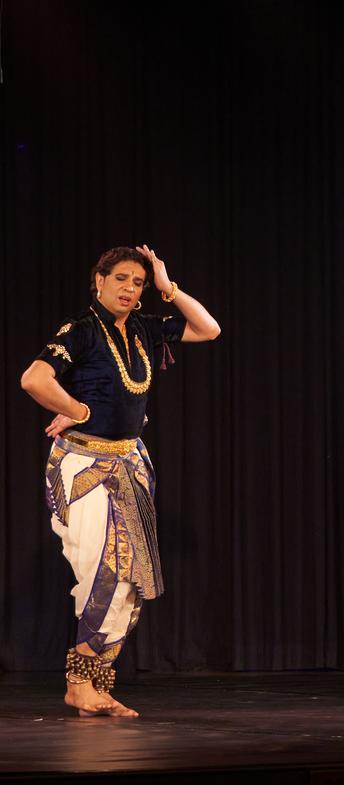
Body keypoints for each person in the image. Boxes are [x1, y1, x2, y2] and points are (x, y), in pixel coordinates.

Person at [19, 245, 220, 717]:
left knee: (128, 582)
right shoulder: (82, 331)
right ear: (100, 281)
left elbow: (208, 329)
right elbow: (34, 379)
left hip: (129, 464)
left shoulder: (147, 329)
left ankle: (91, 684)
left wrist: (168, 286)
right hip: (85, 467)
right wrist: (77, 410)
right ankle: (79, 684)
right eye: (122, 279)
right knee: (102, 574)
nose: (131, 289)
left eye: (139, 283)